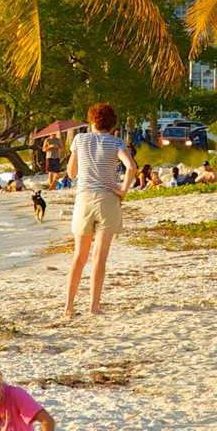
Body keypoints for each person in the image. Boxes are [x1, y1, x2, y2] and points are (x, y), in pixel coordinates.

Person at [63, 103, 136, 318]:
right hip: (108, 200)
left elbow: (72, 173)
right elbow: (131, 167)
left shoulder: (79, 140)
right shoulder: (116, 143)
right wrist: (123, 190)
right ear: (112, 124)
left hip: (84, 199)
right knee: (99, 258)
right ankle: (93, 306)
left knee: (79, 255)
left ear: (92, 121)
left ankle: (68, 306)